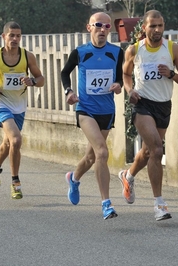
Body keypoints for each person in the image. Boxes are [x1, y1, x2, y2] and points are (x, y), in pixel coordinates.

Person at [119, 10, 178, 221]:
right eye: (152, 26)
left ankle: (128, 175)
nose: (157, 30)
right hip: (142, 105)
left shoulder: (172, 48)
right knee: (157, 149)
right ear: (144, 28)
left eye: (160, 26)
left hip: (163, 106)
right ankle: (159, 204)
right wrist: (130, 90)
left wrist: (171, 74)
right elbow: (125, 73)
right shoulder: (134, 50)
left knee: (148, 151)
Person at [60, 12, 124, 220]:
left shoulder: (116, 52)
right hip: (85, 109)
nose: (103, 30)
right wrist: (69, 91)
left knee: (91, 157)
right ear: (89, 28)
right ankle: (106, 204)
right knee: (102, 152)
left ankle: (74, 178)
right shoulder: (80, 52)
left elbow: (119, 78)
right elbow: (64, 73)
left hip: (107, 111)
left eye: (107, 26)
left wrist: (118, 85)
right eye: (98, 25)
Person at [0, 21, 44, 199]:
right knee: (16, 140)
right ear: (4, 37)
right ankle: (15, 182)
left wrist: (32, 82)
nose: (15, 39)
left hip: (19, 106)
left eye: (18, 36)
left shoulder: (27, 57)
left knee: (8, 143)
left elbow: (41, 79)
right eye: (11, 35)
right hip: (1, 104)